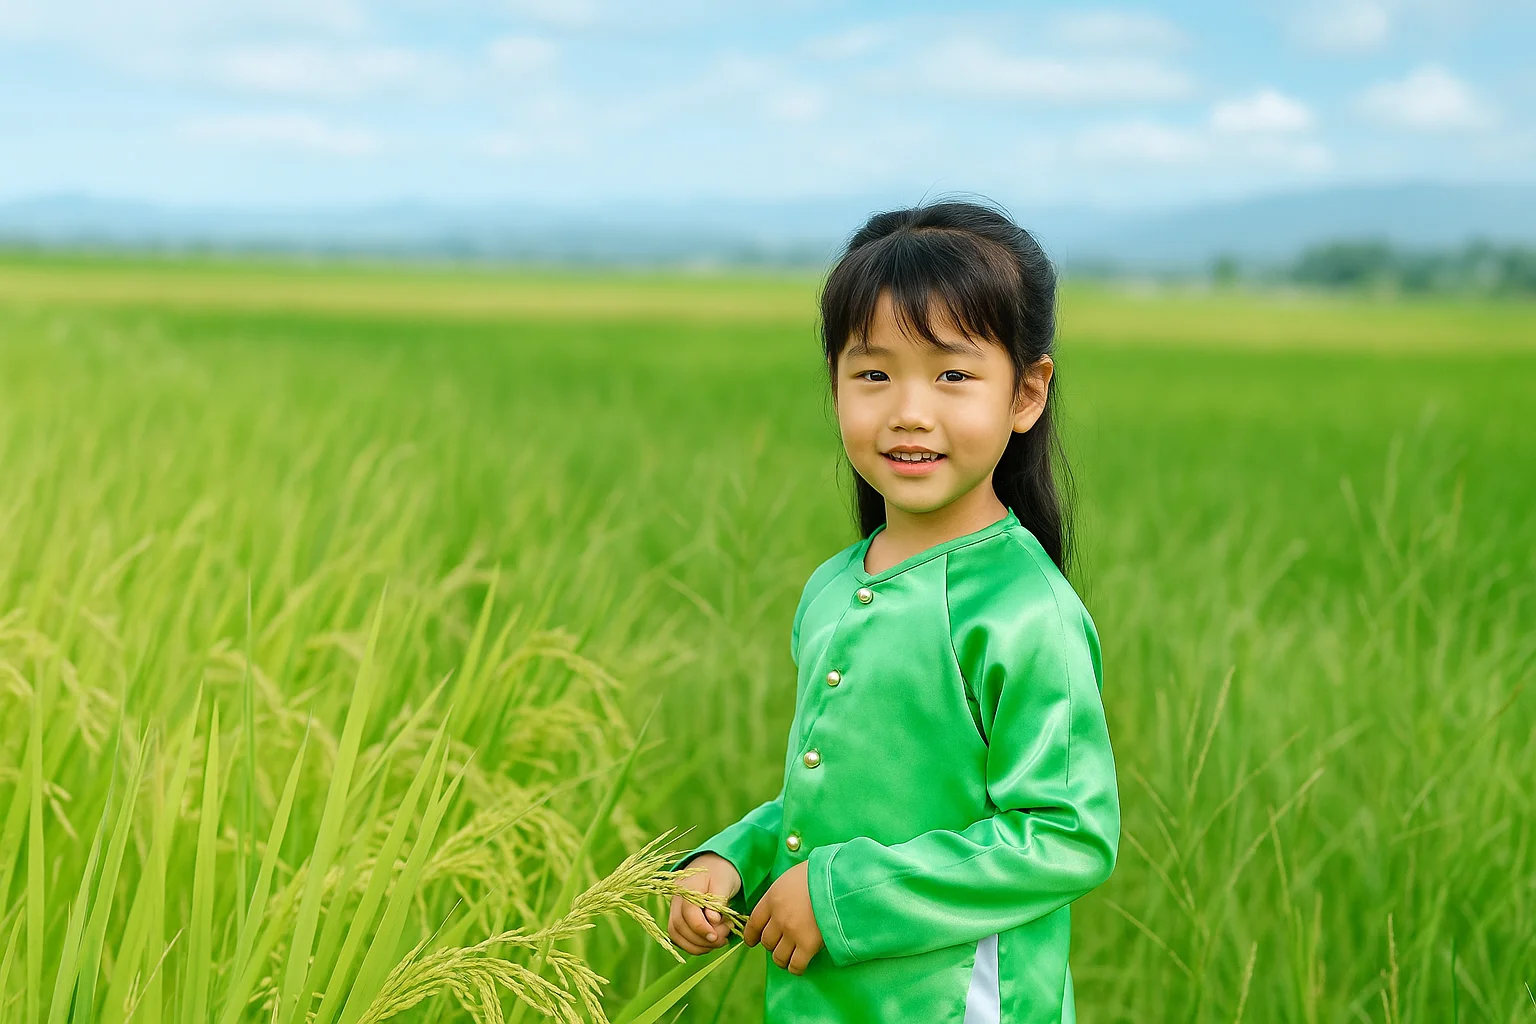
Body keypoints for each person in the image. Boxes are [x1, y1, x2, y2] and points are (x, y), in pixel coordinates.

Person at [666, 198, 1121, 1023]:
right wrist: (733, 860)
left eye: (952, 374)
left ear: (1026, 394)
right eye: (873, 373)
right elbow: (838, 806)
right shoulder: (835, 586)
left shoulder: (1024, 614)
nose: (909, 411)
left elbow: (1067, 837)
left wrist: (843, 896)